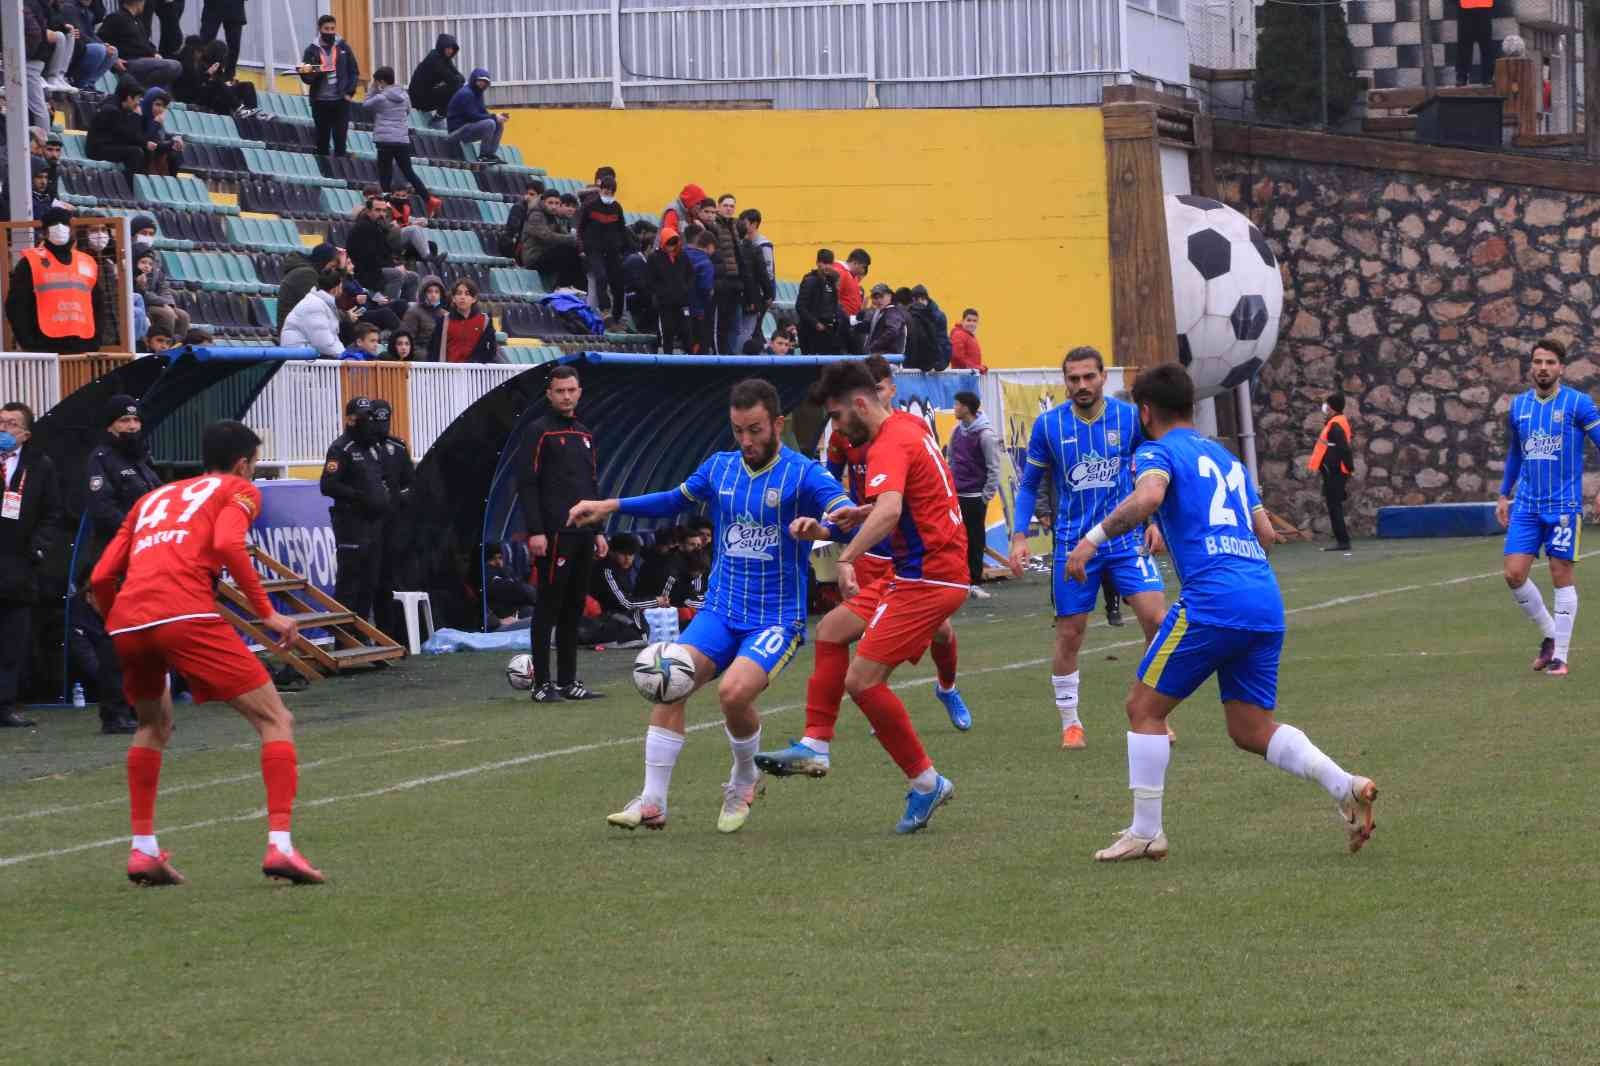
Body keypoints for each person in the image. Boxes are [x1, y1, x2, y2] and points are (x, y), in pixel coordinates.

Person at [1063, 363, 1378, 863]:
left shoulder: (1156, 450)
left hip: (1213, 599)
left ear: (1145, 412)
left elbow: (1149, 496)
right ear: (1190, 406)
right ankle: (1344, 785)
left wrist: (1091, 540)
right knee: (1250, 728)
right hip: (1263, 597)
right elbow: (1266, 535)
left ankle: (1146, 832)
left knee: (1142, 711)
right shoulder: (1228, 459)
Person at [568, 378, 852, 834]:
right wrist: (609, 505)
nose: (746, 441)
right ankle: (653, 801)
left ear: (777, 423)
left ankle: (743, 777)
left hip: (775, 618)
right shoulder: (719, 468)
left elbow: (848, 515)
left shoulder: (804, 473)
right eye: (738, 430)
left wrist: (822, 526)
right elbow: (672, 501)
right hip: (719, 612)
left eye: (756, 430)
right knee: (669, 679)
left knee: (732, 693)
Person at [89, 419, 325, 885]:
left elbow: (99, 578)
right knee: (275, 720)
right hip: (185, 614)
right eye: (254, 466)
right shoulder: (237, 490)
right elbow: (226, 543)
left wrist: (121, 622)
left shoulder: (151, 497)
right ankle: (280, 846)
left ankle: (143, 851)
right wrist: (267, 614)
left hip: (131, 620)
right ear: (242, 463)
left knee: (152, 725)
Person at [757, 356, 971, 784]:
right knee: (832, 631)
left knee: (863, 681)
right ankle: (815, 745)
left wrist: (846, 558)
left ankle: (926, 782)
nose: (835, 428)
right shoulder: (909, 427)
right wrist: (834, 524)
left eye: (835, 416)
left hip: (927, 577)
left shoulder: (887, 443)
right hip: (919, 572)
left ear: (858, 403)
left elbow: (890, 512)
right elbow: (900, 503)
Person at [1008, 346, 1169, 750]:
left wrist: (1156, 522)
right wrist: (1019, 535)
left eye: (1089, 377)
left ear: (1103, 378)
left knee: (1158, 620)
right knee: (1070, 632)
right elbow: (1029, 485)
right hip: (1072, 543)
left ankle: (1154, 714)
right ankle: (1071, 723)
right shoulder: (1048, 426)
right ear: (1065, 382)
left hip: (1126, 539)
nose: (1081, 385)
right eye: (1073, 378)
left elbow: (1153, 472)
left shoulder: (1130, 418)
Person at [1496, 337, 1600, 678]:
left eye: (1550, 362)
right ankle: (1551, 635)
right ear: (1531, 366)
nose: (1543, 368)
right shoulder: (1519, 406)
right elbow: (1515, 453)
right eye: (1538, 362)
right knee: (1513, 574)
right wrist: (1503, 493)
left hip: (1564, 506)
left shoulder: (1578, 404)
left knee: (1560, 575)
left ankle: (1561, 657)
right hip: (1526, 504)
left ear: (1561, 367)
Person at [515, 367, 607, 702]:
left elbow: (591, 485)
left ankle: (569, 682)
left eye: (571, 390)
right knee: (548, 607)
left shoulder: (585, 434)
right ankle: (542, 685)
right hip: (554, 534)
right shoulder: (538, 432)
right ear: (549, 394)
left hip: (583, 534)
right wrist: (536, 531)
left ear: (579, 392)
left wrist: (598, 530)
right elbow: (527, 484)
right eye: (560, 391)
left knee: (574, 607)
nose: (566, 396)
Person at [83, 394, 161, 735]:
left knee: (145, 637)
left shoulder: (142, 459)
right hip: (116, 559)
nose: (131, 427)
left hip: (144, 560)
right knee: (115, 637)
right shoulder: (100, 460)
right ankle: (114, 711)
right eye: (124, 421)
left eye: (135, 421)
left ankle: (140, 707)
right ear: (110, 425)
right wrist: (140, 531)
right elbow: (103, 510)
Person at [0, 403, 63, 729]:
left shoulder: (40, 465)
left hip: (18, 562)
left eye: (11, 424)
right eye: (0, 422)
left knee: (12, 639)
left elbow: (52, 513)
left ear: (25, 433)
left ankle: (6, 705)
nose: (4, 429)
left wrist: (38, 549)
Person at [321, 397, 389, 623]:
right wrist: (359, 496)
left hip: (374, 525)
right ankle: (343, 639)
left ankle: (362, 634)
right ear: (351, 420)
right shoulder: (341, 448)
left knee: (370, 582)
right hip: (351, 524)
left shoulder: (374, 449)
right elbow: (328, 485)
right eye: (364, 416)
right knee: (350, 582)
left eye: (371, 415)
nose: (369, 420)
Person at [7, 208, 98, 355]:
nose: (60, 228)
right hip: (44, 348)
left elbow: (97, 304)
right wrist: (29, 343)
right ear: (44, 231)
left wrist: (95, 341)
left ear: (71, 229)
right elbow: (16, 305)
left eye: (64, 224)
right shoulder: (30, 262)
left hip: (82, 347)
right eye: (54, 224)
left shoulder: (87, 262)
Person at [363, 67, 441, 217]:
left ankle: (386, 206)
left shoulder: (381, 98)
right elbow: (407, 112)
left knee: (385, 174)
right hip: (401, 139)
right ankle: (429, 199)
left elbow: (365, 105)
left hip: (385, 140)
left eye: (377, 81)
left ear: (381, 81)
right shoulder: (404, 95)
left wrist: (373, 89)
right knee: (408, 172)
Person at [369, 399, 413, 640]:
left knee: (388, 581)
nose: (382, 426)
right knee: (367, 581)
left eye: (386, 421)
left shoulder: (397, 447)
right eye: (378, 421)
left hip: (392, 525)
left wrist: (397, 499)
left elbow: (410, 483)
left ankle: (389, 634)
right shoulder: (358, 448)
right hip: (367, 526)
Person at [949, 390, 1000, 591]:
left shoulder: (986, 435)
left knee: (975, 538)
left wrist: (985, 497)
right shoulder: (956, 431)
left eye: (957, 405)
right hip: (957, 495)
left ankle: (974, 581)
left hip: (975, 497)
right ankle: (958, 578)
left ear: (966, 408)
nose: (954, 408)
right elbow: (951, 460)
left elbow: (994, 468)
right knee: (956, 537)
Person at [297, 13, 359, 158]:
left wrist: (350, 92)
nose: (330, 32)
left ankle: (341, 173)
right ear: (320, 29)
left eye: (332, 29)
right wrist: (314, 71)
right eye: (327, 29)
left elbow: (354, 71)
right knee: (322, 140)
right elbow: (307, 76)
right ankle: (325, 172)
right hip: (320, 101)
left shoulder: (343, 47)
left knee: (340, 139)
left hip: (341, 101)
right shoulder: (311, 50)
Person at [576, 174, 629, 324]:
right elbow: (581, 228)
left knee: (618, 283)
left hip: (612, 251)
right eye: (606, 191)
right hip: (593, 250)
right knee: (601, 277)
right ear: (601, 190)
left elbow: (622, 230)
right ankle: (605, 310)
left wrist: (622, 248)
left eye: (611, 192)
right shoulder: (590, 206)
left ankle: (617, 317)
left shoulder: (617, 208)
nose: (608, 195)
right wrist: (581, 248)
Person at [346, 196, 419, 305]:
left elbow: (385, 253)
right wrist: (394, 267)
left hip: (377, 268)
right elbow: (370, 258)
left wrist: (396, 265)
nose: (381, 214)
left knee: (413, 277)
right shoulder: (363, 227)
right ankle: (388, 306)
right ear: (368, 211)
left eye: (384, 211)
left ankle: (408, 309)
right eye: (377, 210)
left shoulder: (378, 226)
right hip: (365, 272)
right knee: (396, 275)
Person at [97, 0, 181, 88]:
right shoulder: (115, 17)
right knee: (173, 66)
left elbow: (145, 43)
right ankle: (139, 89)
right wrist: (114, 59)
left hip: (144, 60)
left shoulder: (137, 21)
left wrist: (155, 53)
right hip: (128, 62)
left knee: (171, 71)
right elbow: (99, 40)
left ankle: (145, 92)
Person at [1309, 392, 1354, 553]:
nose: (1325, 407)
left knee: (1334, 506)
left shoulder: (1335, 424)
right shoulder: (1336, 422)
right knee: (1334, 505)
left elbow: (1343, 449)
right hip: (1334, 471)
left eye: (1327, 404)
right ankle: (1342, 540)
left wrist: (1349, 468)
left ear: (1332, 407)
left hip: (1335, 472)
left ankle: (1343, 541)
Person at [86, 78, 151, 184]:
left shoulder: (118, 106)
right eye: (138, 99)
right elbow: (126, 135)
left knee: (141, 149)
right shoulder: (112, 110)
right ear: (129, 98)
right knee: (135, 153)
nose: (138, 103)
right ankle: (127, 186)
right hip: (97, 149)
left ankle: (140, 185)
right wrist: (136, 117)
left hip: (108, 144)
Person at [520, 188, 583, 286]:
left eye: (557, 203)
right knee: (566, 251)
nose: (554, 206)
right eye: (550, 203)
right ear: (543, 202)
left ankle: (580, 289)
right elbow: (547, 236)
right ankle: (562, 286)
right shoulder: (536, 215)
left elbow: (564, 234)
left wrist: (579, 242)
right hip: (534, 258)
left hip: (547, 254)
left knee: (578, 254)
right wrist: (572, 238)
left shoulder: (554, 217)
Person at [647, 228, 694, 354]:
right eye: (669, 243)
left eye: (674, 243)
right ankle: (667, 357)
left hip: (682, 301)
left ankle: (690, 358)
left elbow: (690, 275)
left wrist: (686, 289)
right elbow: (650, 279)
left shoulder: (682, 256)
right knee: (667, 331)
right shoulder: (654, 257)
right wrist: (661, 292)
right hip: (665, 303)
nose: (671, 247)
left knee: (687, 331)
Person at [447, 68, 508, 164]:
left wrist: (497, 117)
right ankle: (483, 156)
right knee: (490, 123)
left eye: (485, 82)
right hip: (456, 132)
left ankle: (489, 154)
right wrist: (493, 117)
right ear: (474, 79)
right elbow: (472, 116)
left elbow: (483, 113)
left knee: (498, 123)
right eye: (480, 80)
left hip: (468, 129)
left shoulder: (478, 94)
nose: (482, 84)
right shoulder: (466, 93)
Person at [428, 279, 497, 363]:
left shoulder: (485, 320)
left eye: (467, 294)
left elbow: (491, 350)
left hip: (474, 373)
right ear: (453, 298)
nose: (462, 297)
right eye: (459, 293)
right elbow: (433, 351)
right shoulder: (443, 321)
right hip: (449, 372)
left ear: (474, 299)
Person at [280, 270, 344, 357]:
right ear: (335, 289)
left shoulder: (322, 303)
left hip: (310, 357)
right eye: (341, 286)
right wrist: (345, 356)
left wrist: (345, 354)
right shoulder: (314, 306)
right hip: (298, 361)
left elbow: (332, 339)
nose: (342, 290)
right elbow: (324, 344)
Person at [133, 244, 191, 339]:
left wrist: (170, 305)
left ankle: (177, 344)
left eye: (150, 264)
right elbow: (143, 295)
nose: (147, 266)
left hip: (159, 302)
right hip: (146, 304)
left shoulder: (157, 272)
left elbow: (164, 289)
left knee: (184, 316)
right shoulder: (132, 274)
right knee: (167, 315)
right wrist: (163, 304)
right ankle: (163, 343)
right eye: (143, 262)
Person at [797, 249, 844, 354]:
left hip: (827, 331)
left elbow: (833, 305)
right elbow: (800, 306)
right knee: (812, 366)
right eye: (824, 263)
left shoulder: (831, 281)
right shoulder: (810, 281)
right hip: (810, 332)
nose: (827, 266)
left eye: (830, 263)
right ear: (818, 263)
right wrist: (815, 323)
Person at [408, 33, 463, 121]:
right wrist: (457, 79)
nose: (450, 51)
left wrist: (457, 79)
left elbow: (460, 77)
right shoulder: (435, 59)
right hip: (418, 99)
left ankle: (444, 114)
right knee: (455, 87)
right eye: (448, 48)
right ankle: (441, 115)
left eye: (452, 49)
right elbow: (452, 80)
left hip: (427, 94)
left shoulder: (445, 59)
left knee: (458, 86)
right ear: (442, 47)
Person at [139, 87, 185, 175]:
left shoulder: (155, 119)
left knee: (174, 154)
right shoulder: (139, 116)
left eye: (164, 106)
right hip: (142, 154)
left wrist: (174, 142)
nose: (161, 109)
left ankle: (172, 183)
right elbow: (147, 141)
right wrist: (155, 123)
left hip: (154, 153)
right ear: (149, 103)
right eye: (157, 104)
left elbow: (158, 142)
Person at [685, 230, 717, 355]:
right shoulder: (706, 263)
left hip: (679, 307)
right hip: (697, 309)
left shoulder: (682, 255)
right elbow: (705, 288)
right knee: (698, 344)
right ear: (709, 246)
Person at [197, 0, 246, 82]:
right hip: (213, 6)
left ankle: (228, 77)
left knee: (234, 45)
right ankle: (203, 74)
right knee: (205, 43)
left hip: (234, 8)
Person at [400, 275, 445, 357]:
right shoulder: (413, 312)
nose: (433, 295)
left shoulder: (445, 314)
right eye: (429, 291)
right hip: (420, 357)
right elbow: (406, 341)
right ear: (423, 293)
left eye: (437, 292)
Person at [910, 285, 952, 370]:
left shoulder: (933, 316)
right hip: (931, 363)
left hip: (932, 364)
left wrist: (940, 362)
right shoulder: (937, 314)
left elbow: (939, 340)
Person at [1456, 0, 1496, 87]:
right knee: (1464, 43)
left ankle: (1487, 76)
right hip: (1466, 7)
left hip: (1484, 6)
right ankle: (1462, 76)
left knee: (1486, 44)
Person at [864, 282, 907, 355]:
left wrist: (874, 346)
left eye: (881, 296)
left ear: (890, 296)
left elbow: (892, 331)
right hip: (881, 357)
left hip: (888, 358)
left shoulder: (893, 311)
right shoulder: (879, 312)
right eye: (875, 297)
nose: (878, 300)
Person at [950, 307, 985, 371]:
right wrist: (976, 367)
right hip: (962, 376)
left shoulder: (969, 335)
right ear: (962, 321)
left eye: (974, 321)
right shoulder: (959, 334)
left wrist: (979, 367)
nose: (971, 323)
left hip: (969, 375)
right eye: (968, 320)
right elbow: (957, 357)